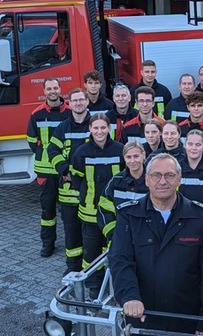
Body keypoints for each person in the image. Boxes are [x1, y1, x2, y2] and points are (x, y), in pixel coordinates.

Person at [108, 153, 203, 334]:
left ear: (179, 179)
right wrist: (130, 297)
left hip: (185, 320)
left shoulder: (200, 217)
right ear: (147, 180)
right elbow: (120, 260)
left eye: (170, 175)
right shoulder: (129, 215)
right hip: (143, 317)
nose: (162, 181)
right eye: (156, 175)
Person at [69, 113, 124, 292]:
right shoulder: (81, 152)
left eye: (103, 127)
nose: (99, 131)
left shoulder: (119, 150)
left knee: (114, 250)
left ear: (109, 129)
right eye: (96, 128)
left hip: (114, 214)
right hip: (90, 213)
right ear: (90, 129)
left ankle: (114, 284)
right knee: (91, 252)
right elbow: (77, 179)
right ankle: (93, 285)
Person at [26, 77, 70, 257]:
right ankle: (47, 243)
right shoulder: (36, 114)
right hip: (45, 171)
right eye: (49, 89)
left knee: (68, 211)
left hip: (65, 171)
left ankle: (71, 243)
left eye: (55, 88)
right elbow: (31, 140)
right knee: (47, 209)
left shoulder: (70, 112)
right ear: (44, 92)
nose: (53, 91)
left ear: (60, 90)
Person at [47, 88, 91, 273]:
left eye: (82, 100)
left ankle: (92, 270)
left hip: (91, 191)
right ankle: (72, 269)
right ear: (70, 104)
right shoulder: (63, 127)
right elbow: (52, 151)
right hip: (69, 192)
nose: (79, 103)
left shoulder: (96, 125)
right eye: (75, 100)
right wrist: (64, 170)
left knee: (91, 235)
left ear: (87, 102)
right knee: (72, 235)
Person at [97, 141, 148, 246]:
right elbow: (104, 210)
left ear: (144, 155)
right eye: (128, 157)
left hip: (147, 242)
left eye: (136, 156)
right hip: (120, 240)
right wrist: (113, 235)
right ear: (124, 158)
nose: (132, 161)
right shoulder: (115, 181)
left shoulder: (153, 180)